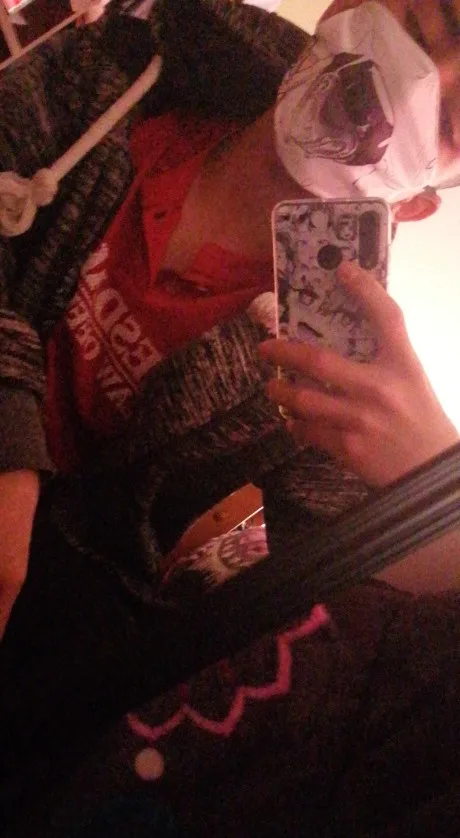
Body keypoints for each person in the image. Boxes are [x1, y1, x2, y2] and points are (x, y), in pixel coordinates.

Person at [0, 0, 459, 774]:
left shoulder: (336, 389)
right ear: (348, 7)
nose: (415, 82)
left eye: (450, 120)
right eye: (425, 28)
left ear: (417, 203)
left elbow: (225, 621)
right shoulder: (125, 70)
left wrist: (437, 488)